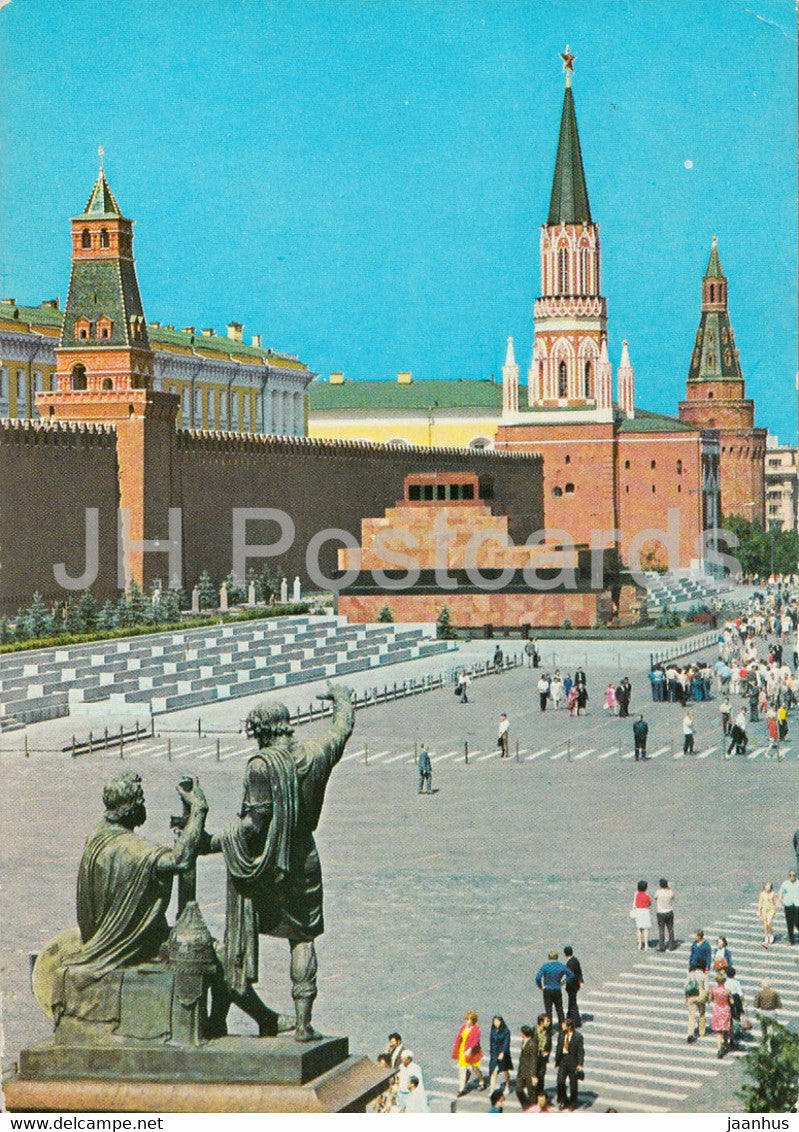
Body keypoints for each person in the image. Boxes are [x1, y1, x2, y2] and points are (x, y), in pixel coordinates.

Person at [207, 685, 355, 1042]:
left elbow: (254, 825)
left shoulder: (261, 766)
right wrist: (341, 698)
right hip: (304, 859)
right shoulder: (316, 754)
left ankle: (217, 1019)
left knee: (237, 939)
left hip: (266, 866)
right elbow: (342, 728)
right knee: (302, 939)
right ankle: (303, 1025)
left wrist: (212, 841)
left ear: (263, 731)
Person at [50, 771, 211, 1029]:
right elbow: (179, 860)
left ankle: (259, 1017)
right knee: (215, 953)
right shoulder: (129, 848)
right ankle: (220, 1025)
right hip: (126, 946)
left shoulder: (98, 836)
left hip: (107, 937)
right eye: (141, 802)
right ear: (128, 808)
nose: (144, 807)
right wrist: (199, 811)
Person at [535, 950, 572, 1026]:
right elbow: (571, 975)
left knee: (548, 1010)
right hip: (557, 989)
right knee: (559, 1009)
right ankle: (562, 1026)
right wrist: (563, 982)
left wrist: (541, 986)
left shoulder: (545, 966)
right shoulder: (561, 966)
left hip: (547, 989)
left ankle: (549, 1028)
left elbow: (538, 977)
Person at [554, 1017, 584, 1111]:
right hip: (563, 1061)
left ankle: (573, 1102)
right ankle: (563, 1100)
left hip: (573, 1062)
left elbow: (580, 1051)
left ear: (570, 1026)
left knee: (573, 1083)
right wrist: (557, 1060)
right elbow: (558, 1047)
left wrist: (580, 1063)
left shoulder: (578, 1036)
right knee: (560, 1081)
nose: (562, 1026)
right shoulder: (561, 1034)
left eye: (565, 1025)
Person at [452, 1010, 485, 1096]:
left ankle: (481, 1080)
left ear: (473, 1020)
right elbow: (459, 1037)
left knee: (475, 1068)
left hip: (472, 1051)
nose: (467, 1021)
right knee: (462, 1069)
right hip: (463, 1050)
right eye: (466, 1019)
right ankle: (461, 1089)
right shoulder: (464, 1027)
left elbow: (475, 1041)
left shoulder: (476, 1030)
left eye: (469, 1020)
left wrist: (470, 1049)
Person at [515, 1024, 537, 1110]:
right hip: (522, 1070)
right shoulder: (523, 1042)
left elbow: (534, 1060)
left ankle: (532, 1107)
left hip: (529, 1071)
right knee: (518, 1089)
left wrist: (533, 1075)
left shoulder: (532, 1044)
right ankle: (525, 1104)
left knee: (531, 1092)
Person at [710, 972, 732, 1058]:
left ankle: (719, 1049)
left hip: (717, 1009)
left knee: (718, 1031)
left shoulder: (713, 990)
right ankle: (726, 1044)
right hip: (725, 1009)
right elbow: (732, 1001)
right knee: (725, 1029)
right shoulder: (727, 991)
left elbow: (710, 999)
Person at [488, 1015, 513, 1093]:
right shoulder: (493, 1030)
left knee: (505, 1070)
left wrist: (503, 1052)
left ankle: (507, 1085)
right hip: (494, 1053)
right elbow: (491, 1041)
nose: (496, 1023)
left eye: (498, 1022)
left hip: (503, 1054)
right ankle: (492, 1089)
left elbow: (506, 1043)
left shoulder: (506, 1031)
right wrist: (491, 1050)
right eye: (494, 1022)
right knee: (493, 1071)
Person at [685, 968, 708, 1043]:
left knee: (691, 1016)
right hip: (700, 996)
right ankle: (701, 1032)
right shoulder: (704, 976)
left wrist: (686, 998)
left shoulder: (690, 974)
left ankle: (690, 1034)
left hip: (691, 996)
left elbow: (686, 987)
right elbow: (706, 989)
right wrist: (707, 998)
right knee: (702, 1014)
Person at [563, 946, 584, 1026]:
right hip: (576, 985)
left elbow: (569, 975)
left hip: (571, 986)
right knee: (572, 1002)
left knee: (572, 1003)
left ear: (565, 954)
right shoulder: (575, 960)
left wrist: (563, 982)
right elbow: (579, 972)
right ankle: (569, 1018)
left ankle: (575, 1021)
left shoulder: (569, 963)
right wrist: (581, 981)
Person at [778, 869, 799, 946]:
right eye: (790, 875)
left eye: (793, 875)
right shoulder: (785, 884)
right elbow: (781, 892)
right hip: (788, 905)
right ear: (788, 876)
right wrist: (779, 901)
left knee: (797, 922)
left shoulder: (798, 883)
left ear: (796, 876)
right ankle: (791, 940)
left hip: (797, 905)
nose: (792, 877)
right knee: (789, 923)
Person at [655, 878, 676, 951]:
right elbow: (673, 898)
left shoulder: (658, 892)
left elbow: (655, 898)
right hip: (669, 911)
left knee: (661, 929)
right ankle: (672, 945)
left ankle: (662, 946)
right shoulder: (670, 892)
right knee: (670, 929)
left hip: (660, 912)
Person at [534, 1013, 553, 1094]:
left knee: (541, 1076)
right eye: (547, 1021)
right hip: (534, 1057)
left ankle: (540, 1093)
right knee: (534, 1076)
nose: (549, 1023)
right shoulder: (534, 1031)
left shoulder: (548, 1032)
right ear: (541, 1022)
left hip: (543, 1058)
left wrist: (547, 1052)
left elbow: (549, 1044)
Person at [631, 880, 652, 951]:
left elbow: (634, 903)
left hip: (638, 911)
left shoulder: (636, 894)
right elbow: (649, 903)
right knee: (645, 929)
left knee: (639, 929)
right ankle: (646, 945)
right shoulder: (646, 895)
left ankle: (640, 944)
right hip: (645, 911)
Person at [758, 881, 778, 946]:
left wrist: (776, 908)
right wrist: (759, 911)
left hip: (771, 909)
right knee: (765, 924)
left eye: (769, 886)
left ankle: (771, 935)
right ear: (764, 887)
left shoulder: (772, 893)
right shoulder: (762, 894)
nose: (768, 888)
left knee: (769, 922)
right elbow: (760, 903)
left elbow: (775, 901)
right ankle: (766, 937)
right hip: (764, 909)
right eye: (767, 886)